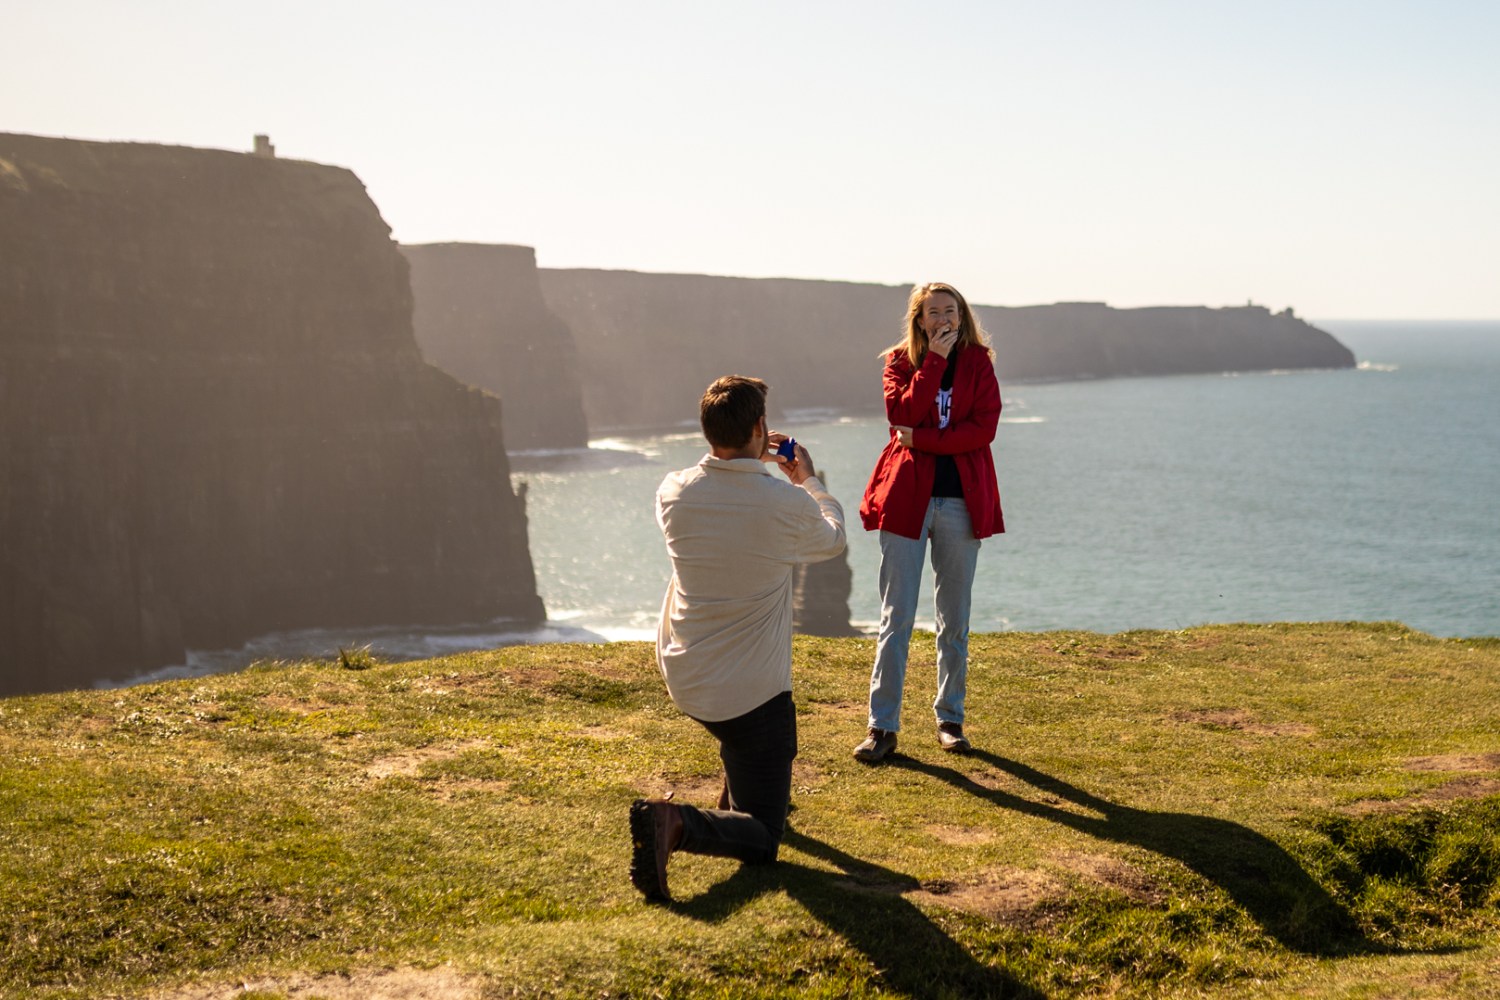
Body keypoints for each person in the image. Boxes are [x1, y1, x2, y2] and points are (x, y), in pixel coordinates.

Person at [630, 375, 846, 902]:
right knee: (767, 836)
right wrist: (808, 480)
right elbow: (833, 538)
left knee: (744, 742)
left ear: (707, 431)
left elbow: (724, 495)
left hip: (685, 674)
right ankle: (675, 823)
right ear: (761, 429)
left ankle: (738, 788)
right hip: (751, 696)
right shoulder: (782, 504)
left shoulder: (673, 491)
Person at [854, 282, 1004, 763]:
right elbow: (900, 414)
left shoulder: (980, 362)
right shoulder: (900, 362)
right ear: (919, 319)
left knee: (953, 619)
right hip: (906, 501)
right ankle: (882, 726)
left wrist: (923, 441)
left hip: (960, 501)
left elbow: (985, 429)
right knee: (895, 617)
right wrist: (933, 363)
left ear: (961, 316)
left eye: (950, 310)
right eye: (932, 312)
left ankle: (950, 719)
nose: (942, 318)